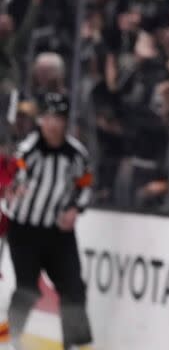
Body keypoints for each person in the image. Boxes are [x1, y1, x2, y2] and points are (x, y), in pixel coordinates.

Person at [3, 92, 94, 350]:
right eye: (49, 118)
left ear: (66, 122)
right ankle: (11, 339)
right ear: (41, 120)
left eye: (59, 119)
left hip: (58, 233)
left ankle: (75, 344)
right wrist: (12, 188)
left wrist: (76, 207)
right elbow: (13, 172)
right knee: (27, 289)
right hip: (24, 231)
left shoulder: (76, 154)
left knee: (74, 289)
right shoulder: (28, 149)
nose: (53, 124)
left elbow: (85, 183)